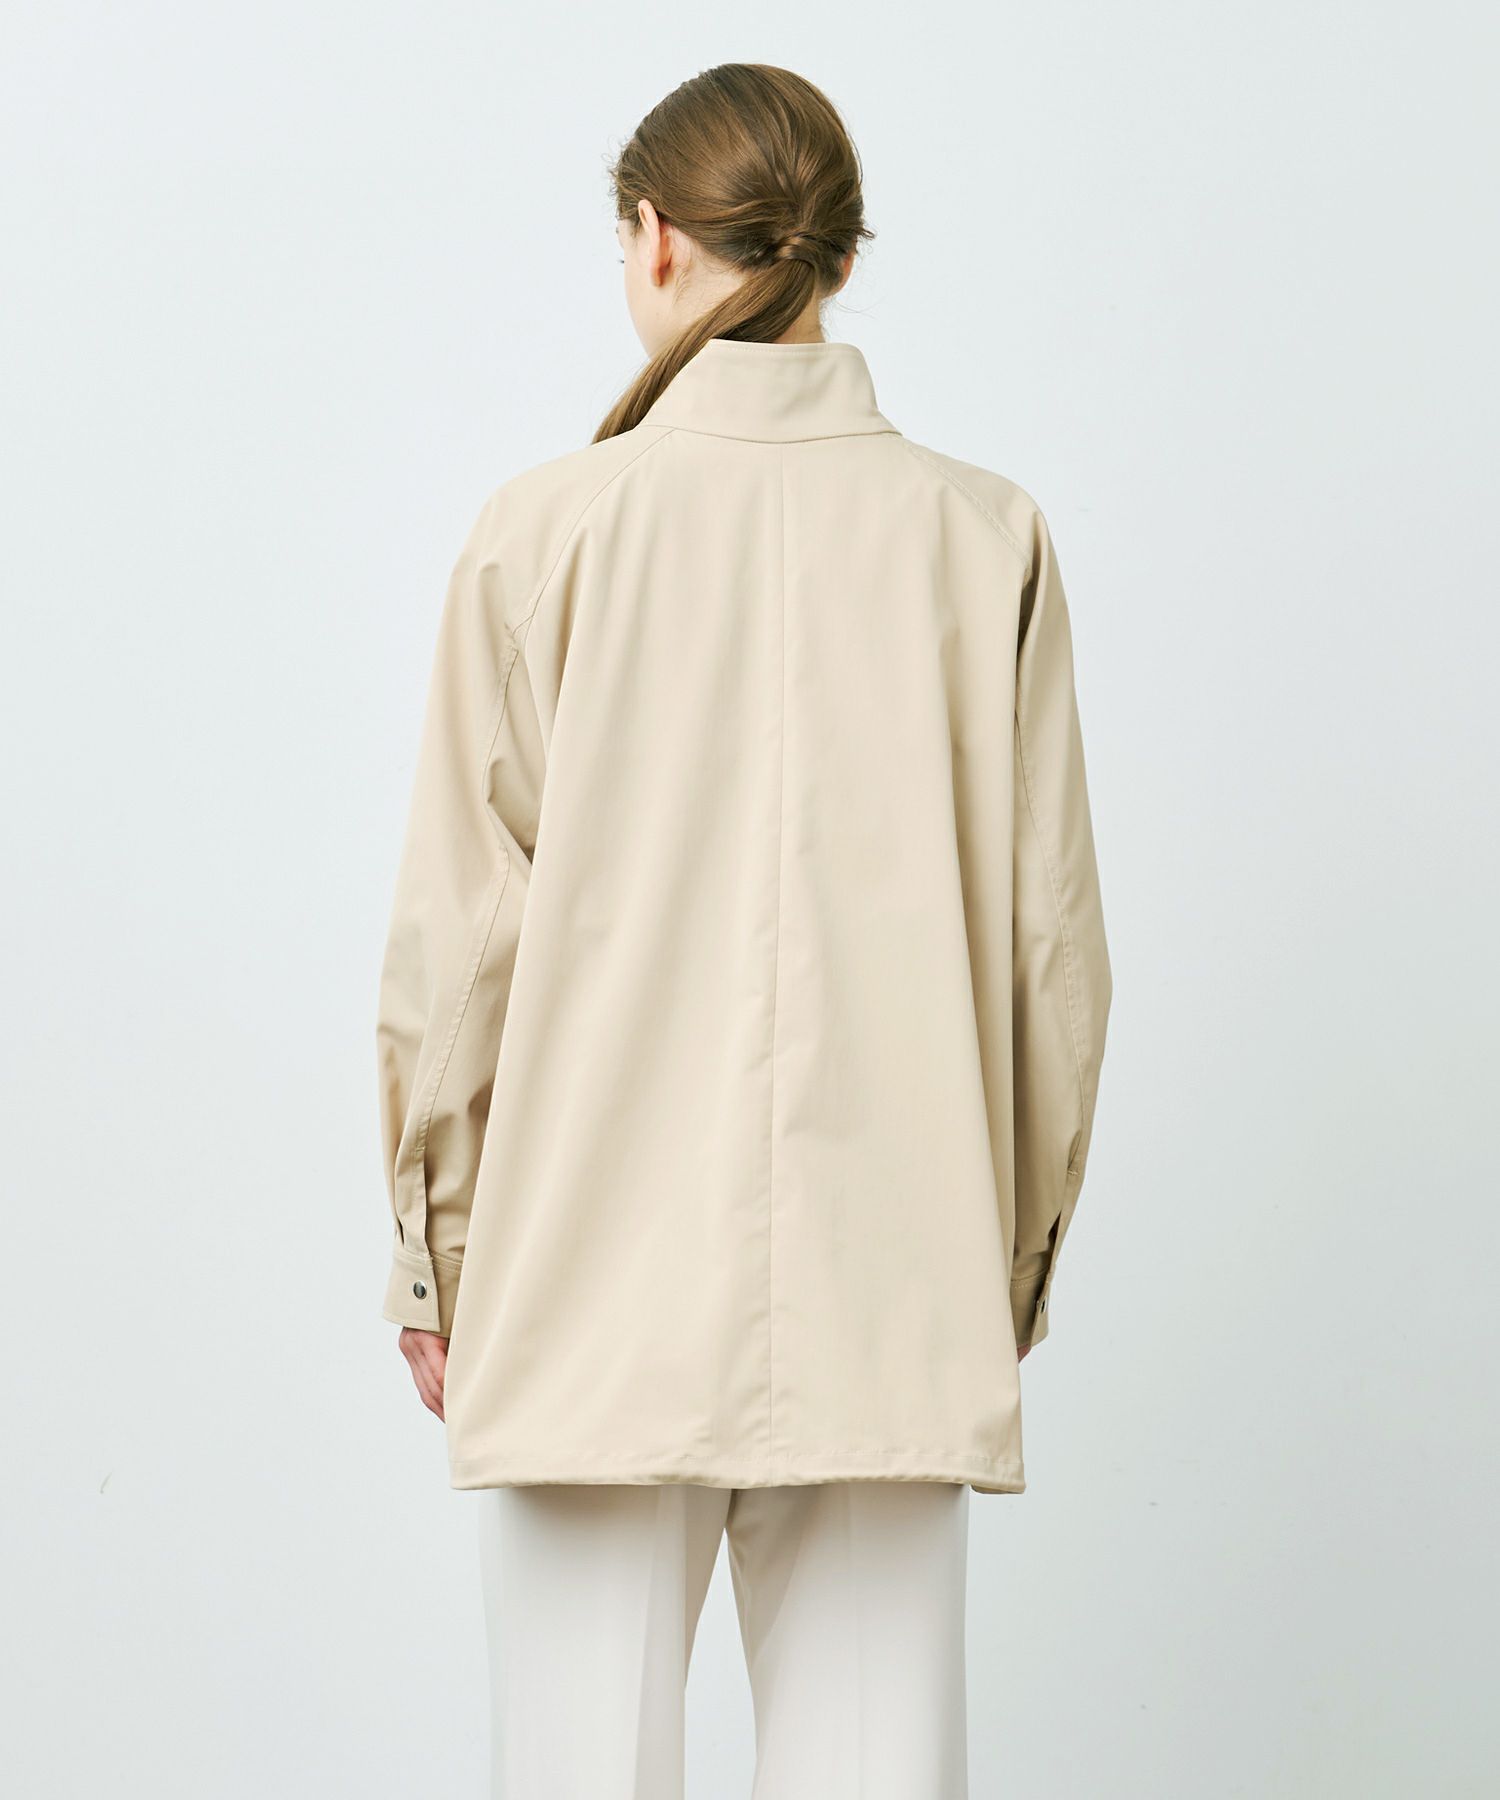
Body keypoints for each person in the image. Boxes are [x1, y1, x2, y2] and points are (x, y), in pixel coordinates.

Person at [374, 61, 1112, 1800]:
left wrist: (436, 1251)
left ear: (652, 240)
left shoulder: (545, 533)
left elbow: (462, 948)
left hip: (582, 1278)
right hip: (892, 1274)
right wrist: (1000, 1263)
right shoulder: (984, 536)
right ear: (841, 261)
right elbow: (1053, 962)